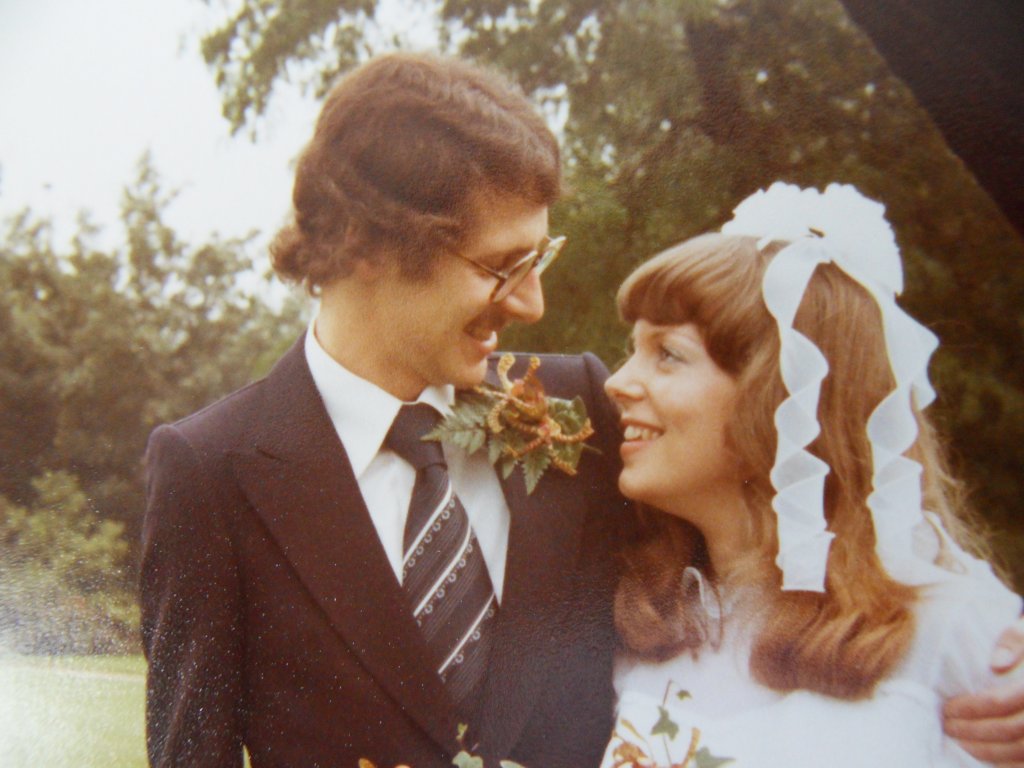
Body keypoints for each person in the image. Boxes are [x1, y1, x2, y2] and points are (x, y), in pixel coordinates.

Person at [140, 52, 629, 768]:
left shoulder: (578, 407)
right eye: (502, 266)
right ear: (367, 244)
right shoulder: (211, 472)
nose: (532, 303)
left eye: (537, 259)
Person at [600, 182, 1023, 767]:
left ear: (779, 398)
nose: (616, 382)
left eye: (667, 354)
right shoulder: (647, 627)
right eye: (632, 349)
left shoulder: (947, 626)